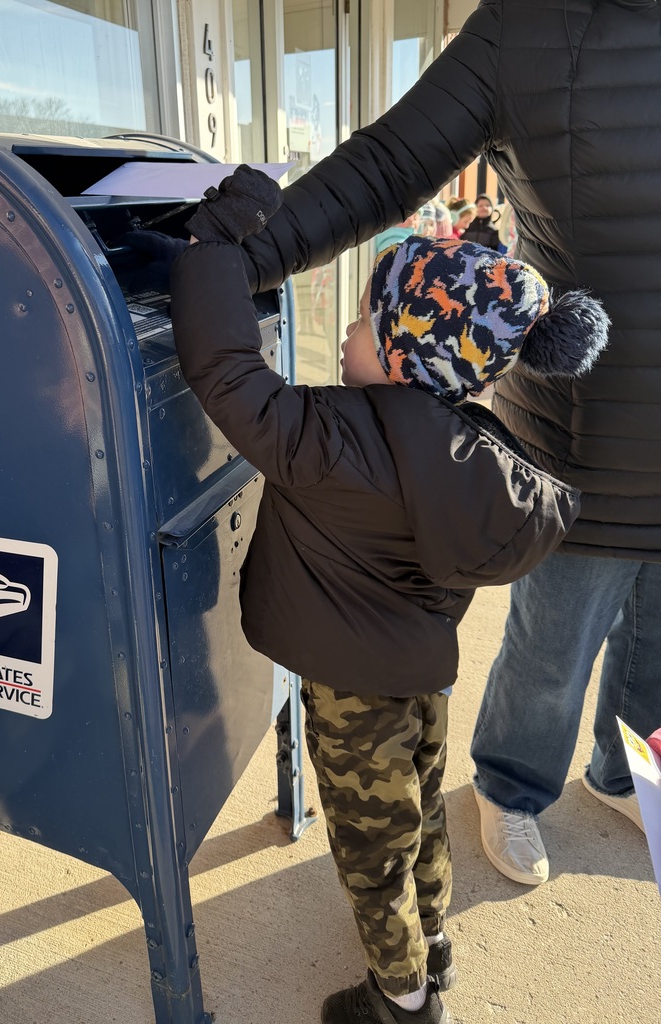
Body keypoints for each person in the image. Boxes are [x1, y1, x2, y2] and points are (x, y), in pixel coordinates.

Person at [236, 0, 661, 890]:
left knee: (656, 647)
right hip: (583, 445)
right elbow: (388, 162)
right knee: (552, 651)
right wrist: (222, 257)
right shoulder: (528, 27)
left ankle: (622, 774)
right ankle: (511, 787)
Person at [167, 165, 608, 1024]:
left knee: (370, 847)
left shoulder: (325, 440)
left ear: (409, 355)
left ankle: (401, 999)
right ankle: (433, 941)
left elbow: (222, 368)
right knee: (419, 817)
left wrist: (211, 249)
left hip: (351, 693)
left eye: (371, 319)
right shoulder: (471, 453)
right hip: (418, 675)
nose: (348, 328)